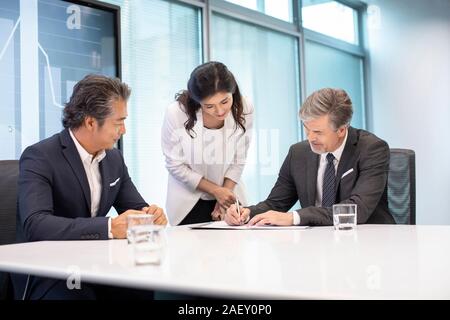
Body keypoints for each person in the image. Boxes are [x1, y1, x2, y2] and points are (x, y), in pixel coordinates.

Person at [14, 74, 167, 299]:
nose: (123, 129)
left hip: (97, 263)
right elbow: (36, 224)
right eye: (118, 122)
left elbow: (135, 208)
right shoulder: (40, 156)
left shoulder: (114, 159)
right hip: (51, 270)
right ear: (90, 122)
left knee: (141, 287)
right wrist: (109, 227)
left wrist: (150, 216)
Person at [225, 88, 395, 226]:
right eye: (307, 129)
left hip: (369, 244)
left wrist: (294, 217)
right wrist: (247, 213)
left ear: (342, 130)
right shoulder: (298, 153)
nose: (310, 138)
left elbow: (357, 209)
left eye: (319, 132)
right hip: (315, 243)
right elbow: (275, 204)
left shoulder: (371, 149)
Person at [162, 61, 253, 226]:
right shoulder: (176, 113)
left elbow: (239, 158)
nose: (219, 111)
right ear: (197, 102)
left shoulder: (244, 107)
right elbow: (175, 165)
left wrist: (225, 194)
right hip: (188, 201)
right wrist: (216, 191)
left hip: (230, 192)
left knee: (236, 248)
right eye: (209, 106)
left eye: (225, 102)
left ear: (233, 92)